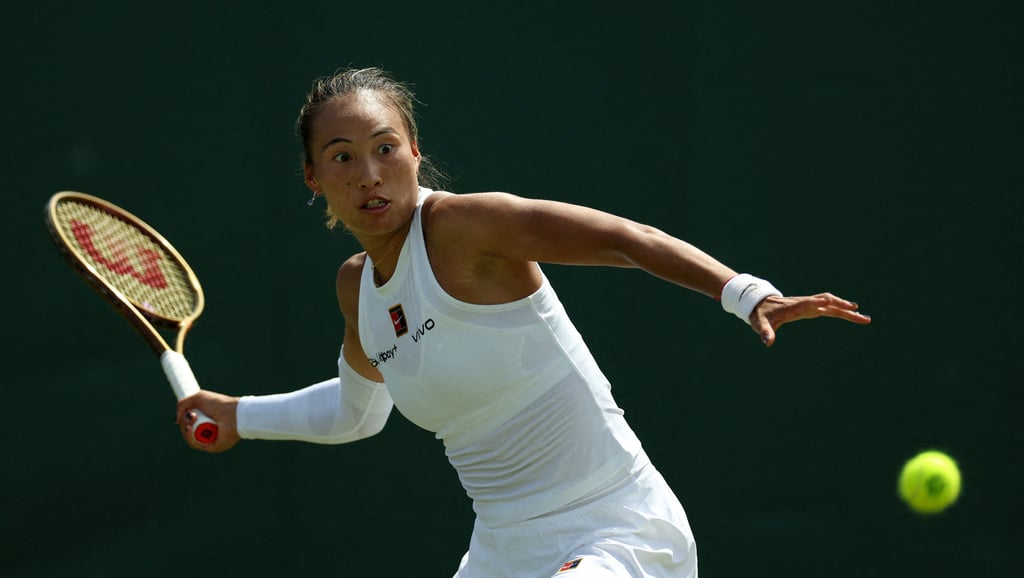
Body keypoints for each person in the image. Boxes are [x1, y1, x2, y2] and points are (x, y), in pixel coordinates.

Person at [176, 67, 871, 577]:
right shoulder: (356, 289)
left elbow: (619, 236)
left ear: (416, 152)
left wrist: (745, 292)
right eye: (342, 158)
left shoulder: (464, 228)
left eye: (386, 148)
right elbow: (357, 414)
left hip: (617, 533)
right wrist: (240, 415)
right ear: (312, 179)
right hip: (502, 556)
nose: (369, 174)